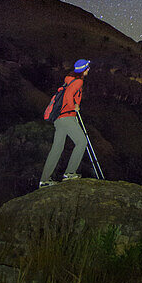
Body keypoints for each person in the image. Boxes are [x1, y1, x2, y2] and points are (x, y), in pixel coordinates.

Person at [39, 59, 91, 187]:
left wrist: (75, 104)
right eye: (88, 68)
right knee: (82, 142)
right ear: (84, 69)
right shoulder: (78, 81)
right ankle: (70, 173)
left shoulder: (69, 79)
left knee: (57, 148)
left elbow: (68, 94)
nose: (89, 70)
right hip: (67, 117)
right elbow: (68, 96)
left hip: (59, 119)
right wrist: (75, 107)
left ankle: (44, 180)